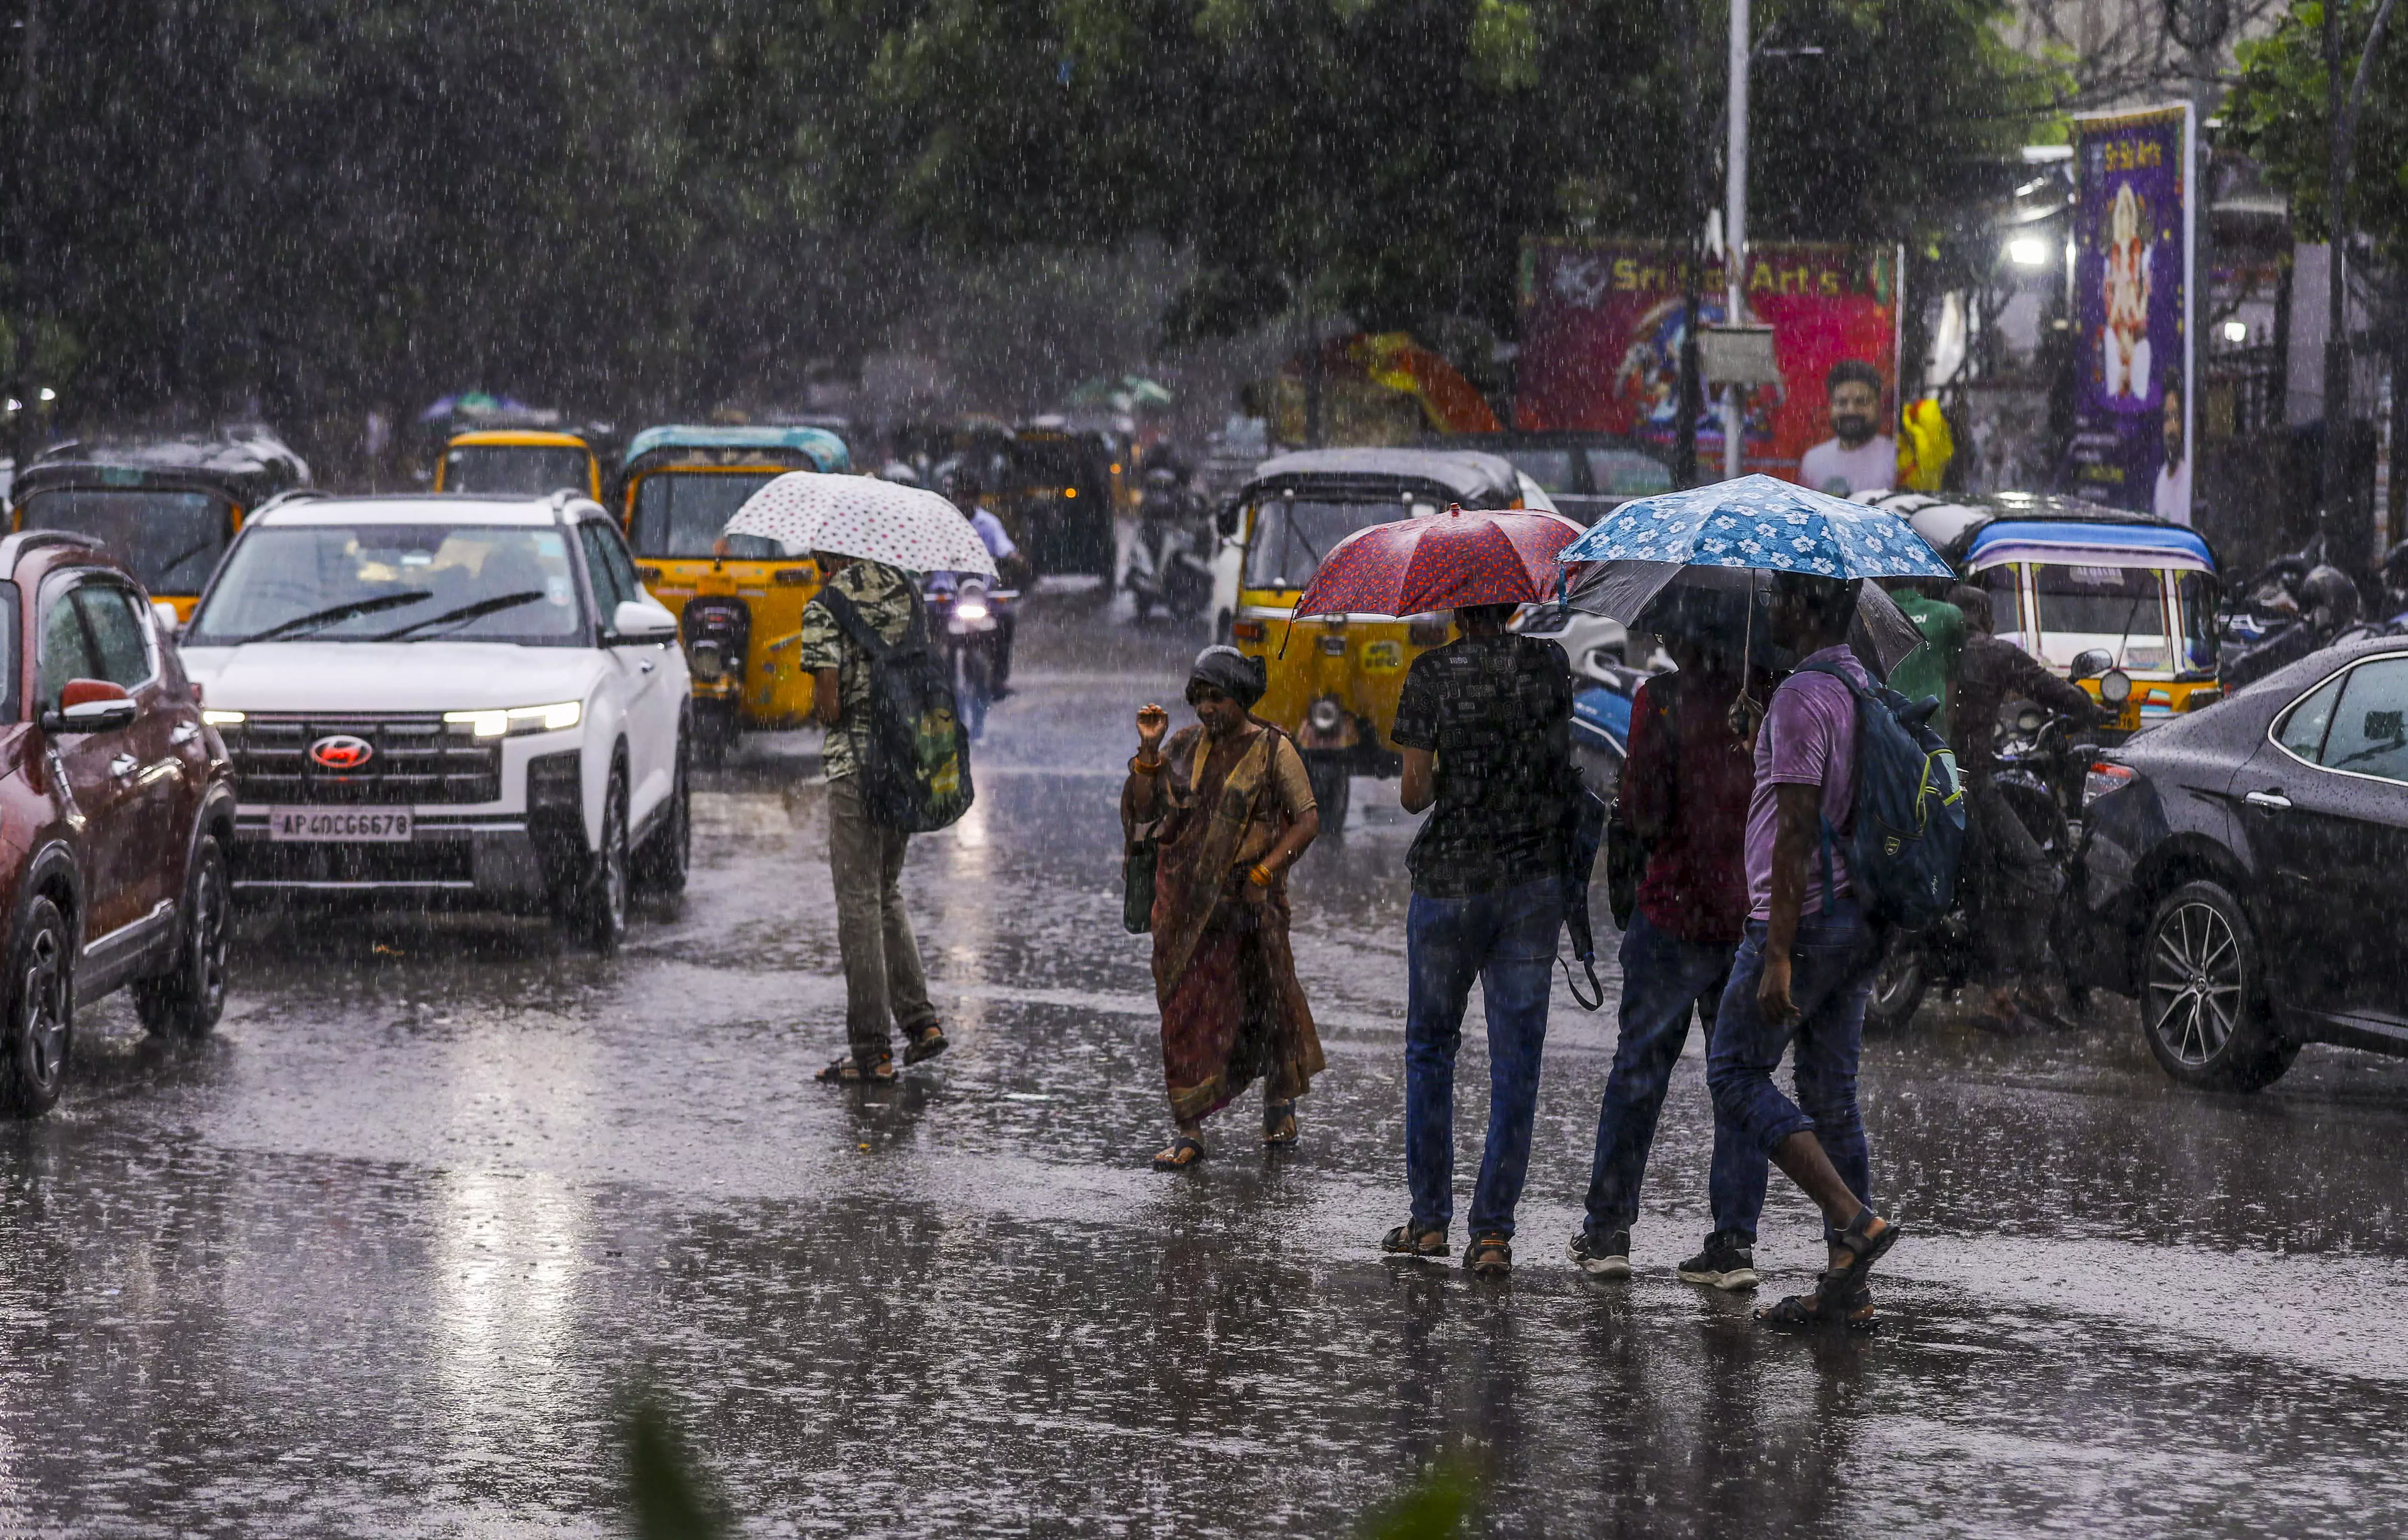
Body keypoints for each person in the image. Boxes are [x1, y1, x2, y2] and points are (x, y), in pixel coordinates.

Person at [1704, 572, 1900, 1333]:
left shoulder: (1801, 697)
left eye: (1782, 596)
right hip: (1857, 916)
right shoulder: (1857, 684)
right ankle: (1847, 1288)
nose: (1772, 609)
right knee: (1831, 1092)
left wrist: (1778, 952)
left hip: (1804, 919)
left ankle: (1853, 1220)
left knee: (1734, 1071)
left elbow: (1792, 832)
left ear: (1807, 606)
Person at [1380, 602, 1577, 1278]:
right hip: (1530, 884)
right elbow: (1558, 766)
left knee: (1432, 1048)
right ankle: (1492, 1233)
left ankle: (1430, 1221)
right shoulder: (1550, 663)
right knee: (1516, 1063)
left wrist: (1450, 768)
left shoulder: (1431, 673)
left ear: (1458, 605)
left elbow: (1412, 795)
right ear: (1515, 601)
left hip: (1449, 883)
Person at [1570, 607, 1764, 1288]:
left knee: (1640, 1074)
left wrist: (1635, 815)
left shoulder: (1661, 700)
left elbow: (1646, 811)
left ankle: (1609, 1233)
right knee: (1740, 1081)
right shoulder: (1767, 696)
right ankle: (1734, 1242)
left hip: (1674, 912)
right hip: (1749, 916)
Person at [1122, 646, 1324, 1170]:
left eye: (1218, 698)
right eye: (1200, 699)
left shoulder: (1274, 749)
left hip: (1249, 906)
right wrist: (1149, 752)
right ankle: (1189, 1129)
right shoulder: (1186, 747)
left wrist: (1263, 871)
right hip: (1187, 912)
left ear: (1241, 697)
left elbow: (1307, 821)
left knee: (1265, 1003)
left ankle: (1278, 1100)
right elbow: (1146, 813)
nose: (1208, 709)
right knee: (1183, 1012)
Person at [797, 548, 949, 1084]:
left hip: (856, 768)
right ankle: (921, 1022)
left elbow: (830, 705)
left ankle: (872, 1051)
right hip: (906, 761)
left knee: (859, 902)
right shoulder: (906, 592)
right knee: (886, 890)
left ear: (829, 552)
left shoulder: (824, 607)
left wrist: (821, 705)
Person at [1946, 584, 2097, 1033]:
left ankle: (1997, 987)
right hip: (1970, 782)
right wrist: (2090, 706)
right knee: (2033, 871)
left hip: (1925, 779)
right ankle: (2026, 984)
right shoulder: (1994, 653)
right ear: (1986, 619)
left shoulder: (1928, 647)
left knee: (1983, 875)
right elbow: (2053, 691)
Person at [948, 467, 1025, 694]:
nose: (965, 500)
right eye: (961, 495)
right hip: (951, 594)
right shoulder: (945, 523)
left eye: (970, 495)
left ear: (977, 497)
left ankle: (999, 679)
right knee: (930, 621)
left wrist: (1015, 558)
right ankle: (938, 681)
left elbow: (1005, 547)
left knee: (1007, 619)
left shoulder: (990, 524)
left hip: (983, 594)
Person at [1882, 578, 1967, 741]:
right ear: (1929, 580)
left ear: (1882, 579)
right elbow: (1953, 680)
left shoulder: (1868, 614)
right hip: (1932, 721)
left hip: (1884, 723)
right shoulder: (1949, 615)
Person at [1797, 360, 1897, 497]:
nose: (1851, 411)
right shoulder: (1813, 460)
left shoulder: (1894, 458)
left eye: (1861, 402)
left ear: (1878, 405)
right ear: (1831, 407)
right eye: (1842, 403)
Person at [2153, 374, 2191, 526]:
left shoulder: (2190, 478)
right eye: (2167, 418)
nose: (2171, 429)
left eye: (2176, 417)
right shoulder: (2162, 479)